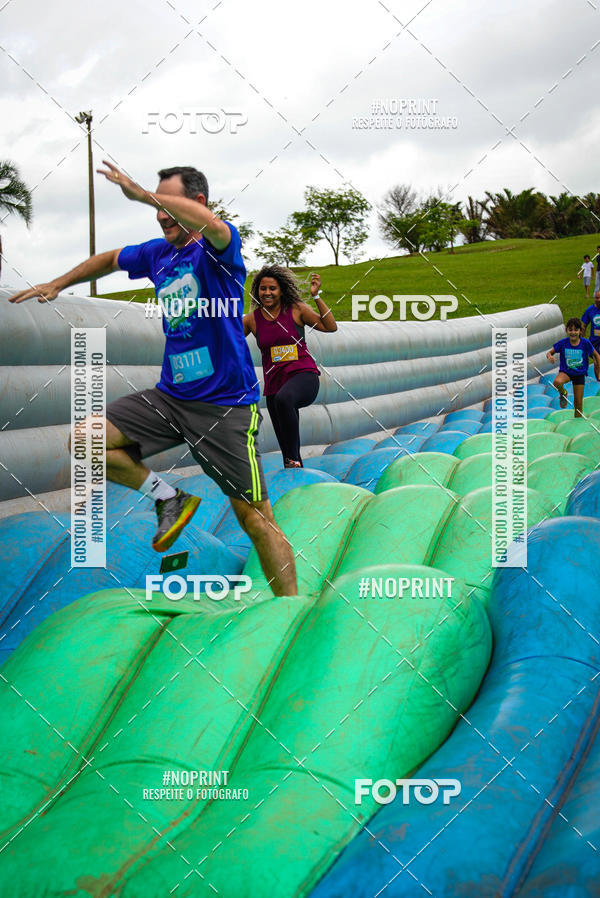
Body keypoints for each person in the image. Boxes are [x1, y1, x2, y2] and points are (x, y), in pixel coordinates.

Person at [8, 162, 297, 596]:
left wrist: (143, 193)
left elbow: (215, 227)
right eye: (156, 205)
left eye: (167, 204)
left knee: (255, 520)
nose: (160, 214)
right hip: (170, 398)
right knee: (86, 440)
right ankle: (168, 498)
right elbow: (109, 259)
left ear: (196, 203)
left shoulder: (219, 251)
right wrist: (59, 282)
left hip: (224, 407)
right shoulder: (159, 254)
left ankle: (290, 610)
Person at [243, 266, 337, 468]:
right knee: (285, 440)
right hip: (275, 385)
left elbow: (330, 326)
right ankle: (294, 467)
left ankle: (293, 460)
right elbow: (227, 340)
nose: (267, 293)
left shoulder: (296, 309)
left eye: (272, 288)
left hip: (304, 376)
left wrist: (316, 296)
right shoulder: (252, 319)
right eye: (262, 289)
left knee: (285, 399)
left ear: (281, 290)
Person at [546, 318, 600, 418]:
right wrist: (550, 356)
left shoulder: (585, 343)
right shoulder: (563, 343)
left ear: (580, 331)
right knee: (557, 382)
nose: (573, 332)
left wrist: (599, 369)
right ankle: (564, 393)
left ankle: (577, 422)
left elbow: (597, 355)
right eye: (570, 330)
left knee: (578, 404)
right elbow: (550, 352)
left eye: (576, 330)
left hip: (579, 375)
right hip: (566, 372)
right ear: (567, 330)